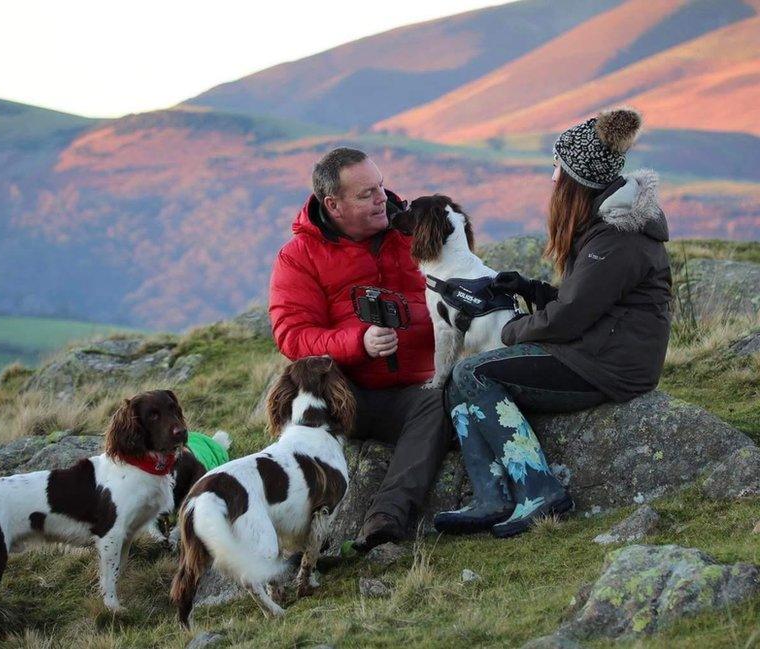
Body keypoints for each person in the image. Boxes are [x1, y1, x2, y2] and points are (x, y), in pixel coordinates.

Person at [433, 107, 672, 538]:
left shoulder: (617, 238)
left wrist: (512, 331)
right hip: (596, 351)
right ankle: (492, 496)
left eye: (557, 167)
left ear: (576, 179)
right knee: (457, 382)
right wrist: (529, 288)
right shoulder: (605, 224)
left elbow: (570, 316)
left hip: (607, 365)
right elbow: (585, 300)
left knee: (473, 372)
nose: (553, 177)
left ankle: (539, 489)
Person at [268, 147, 450, 550]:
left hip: (420, 385)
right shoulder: (299, 257)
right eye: (366, 193)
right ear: (333, 205)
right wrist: (358, 342)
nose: (382, 198)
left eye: (381, 186)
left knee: (435, 404)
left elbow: (458, 288)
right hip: (350, 395)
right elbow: (293, 335)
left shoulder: (415, 230)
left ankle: (387, 517)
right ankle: (310, 538)